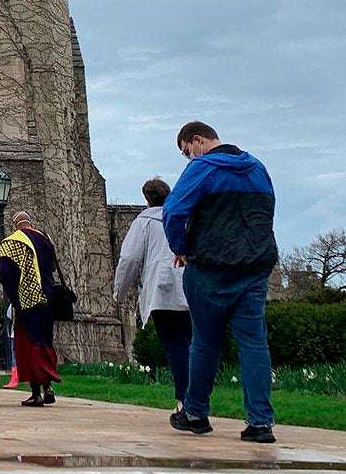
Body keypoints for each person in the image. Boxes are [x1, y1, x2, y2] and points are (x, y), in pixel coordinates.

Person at [163, 120, 279, 443]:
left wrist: (181, 249)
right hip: (254, 269)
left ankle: (196, 413)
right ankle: (260, 423)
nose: (189, 158)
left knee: (205, 342)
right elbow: (266, 214)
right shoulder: (257, 169)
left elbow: (172, 212)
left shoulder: (203, 168)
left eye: (187, 152)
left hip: (210, 268)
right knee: (254, 343)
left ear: (197, 141)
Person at [113, 177, 191, 411]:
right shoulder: (183, 218)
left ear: (147, 198)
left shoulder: (144, 222)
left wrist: (119, 292)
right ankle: (197, 397)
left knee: (176, 346)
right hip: (190, 287)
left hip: (162, 289)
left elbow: (130, 258)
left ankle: (185, 400)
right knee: (192, 344)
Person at [0, 211, 60, 407]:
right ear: (30, 223)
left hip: (26, 299)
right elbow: (51, 268)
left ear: (15, 224)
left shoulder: (12, 241)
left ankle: (36, 392)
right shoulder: (45, 239)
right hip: (48, 297)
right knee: (45, 340)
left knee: (29, 343)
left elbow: (5, 273)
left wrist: (14, 297)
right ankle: (48, 386)